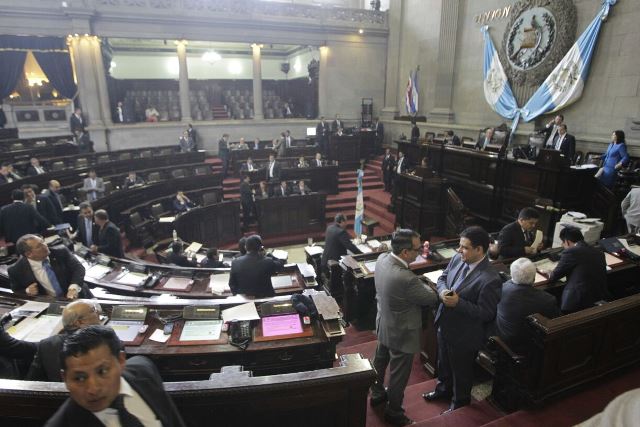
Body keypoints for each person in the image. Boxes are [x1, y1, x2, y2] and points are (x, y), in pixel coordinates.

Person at [423, 226, 502, 412]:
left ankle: (459, 404)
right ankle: (443, 390)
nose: (459, 251)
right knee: (443, 364)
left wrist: (458, 303)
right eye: (460, 246)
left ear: (479, 250)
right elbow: (443, 277)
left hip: (465, 335)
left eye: (464, 247)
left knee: (461, 373)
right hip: (444, 325)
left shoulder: (491, 279)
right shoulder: (459, 258)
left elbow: (487, 313)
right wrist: (442, 292)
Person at [45, 325, 186, 427]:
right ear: (65, 379)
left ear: (121, 360)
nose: (93, 389)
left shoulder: (144, 370)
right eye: (79, 378)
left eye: (102, 371)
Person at [370, 229, 438, 426]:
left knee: (380, 360)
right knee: (399, 374)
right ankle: (394, 412)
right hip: (402, 332)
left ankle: (376, 392)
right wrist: (424, 284)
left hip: (384, 322)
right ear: (405, 253)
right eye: (417, 249)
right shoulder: (407, 278)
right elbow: (431, 298)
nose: (419, 252)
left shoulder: (383, 258)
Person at [26, 300, 102, 382]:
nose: (98, 312)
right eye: (93, 310)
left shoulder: (46, 344)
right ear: (80, 322)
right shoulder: (103, 342)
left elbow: (31, 381)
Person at [494, 258, 559, 352]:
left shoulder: (501, 289)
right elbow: (555, 322)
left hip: (501, 338)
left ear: (512, 275)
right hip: (527, 346)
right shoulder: (548, 300)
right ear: (534, 278)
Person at [542, 227, 608, 313]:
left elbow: (554, 276)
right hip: (598, 296)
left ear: (567, 242)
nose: (563, 245)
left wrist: (549, 272)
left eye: (563, 242)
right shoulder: (598, 252)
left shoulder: (571, 252)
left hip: (577, 301)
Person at [9, 234, 90, 299]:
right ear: (28, 254)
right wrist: (27, 291)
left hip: (79, 297)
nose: (45, 245)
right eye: (39, 246)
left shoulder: (61, 252)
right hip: (50, 304)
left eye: (43, 242)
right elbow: (17, 290)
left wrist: (74, 287)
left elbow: (79, 269)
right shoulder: (16, 270)